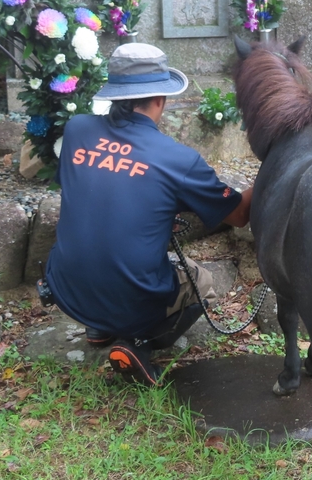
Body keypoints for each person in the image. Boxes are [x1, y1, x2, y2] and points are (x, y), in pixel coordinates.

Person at [45, 43, 252, 386]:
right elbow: (240, 214)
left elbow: (97, 194)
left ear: (114, 93)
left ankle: (98, 327)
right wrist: (273, 168)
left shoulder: (77, 130)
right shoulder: (178, 159)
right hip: (129, 295)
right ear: (160, 100)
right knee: (204, 282)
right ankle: (137, 344)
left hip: (65, 286)